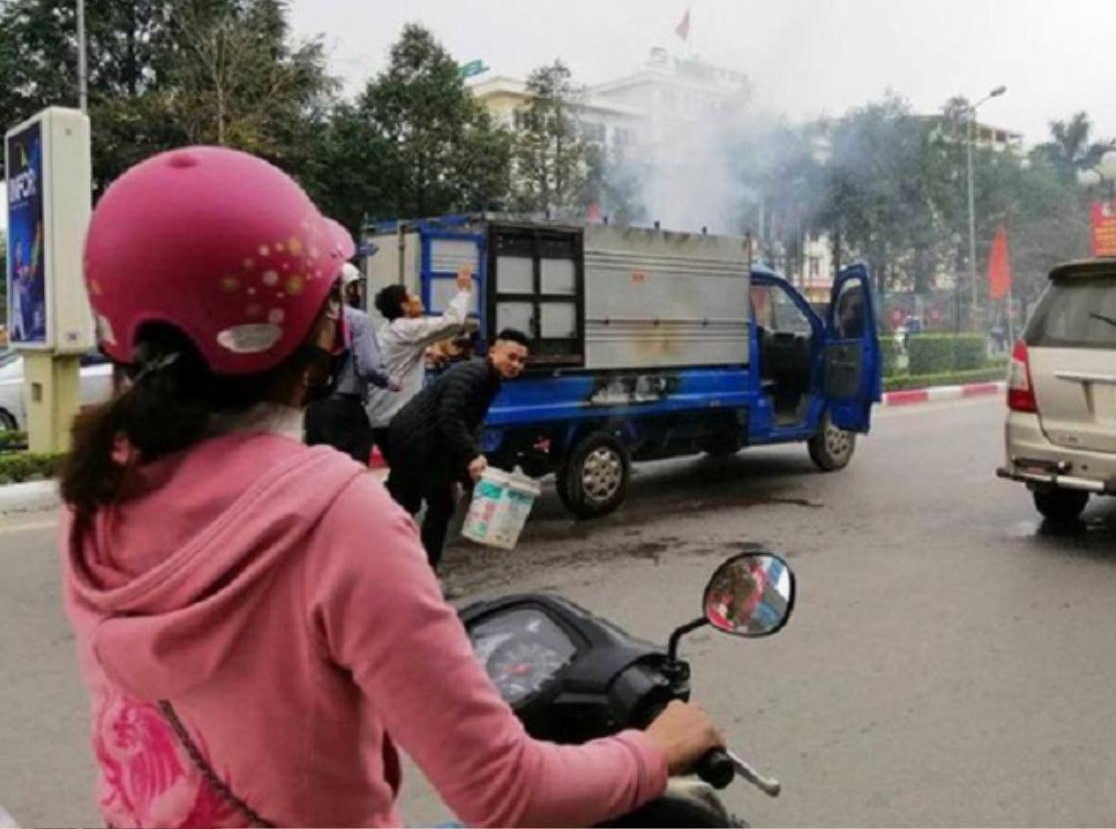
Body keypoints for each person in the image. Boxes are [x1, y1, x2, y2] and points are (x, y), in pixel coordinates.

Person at [59, 146, 721, 829]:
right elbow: (507, 793)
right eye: (332, 302)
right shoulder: (337, 518)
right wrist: (653, 750)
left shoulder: (94, 493)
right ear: (310, 330)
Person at [386, 329, 529, 570]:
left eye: (521, 361)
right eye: (512, 357)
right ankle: (421, 573)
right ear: (494, 351)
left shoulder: (489, 378)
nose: (516, 365)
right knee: (436, 505)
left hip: (420, 441)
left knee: (407, 504)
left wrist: (468, 462)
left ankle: (399, 565)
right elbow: (449, 415)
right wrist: (471, 455)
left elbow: (467, 421)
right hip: (416, 442)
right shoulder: (475, 373)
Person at [305, 248, 397, 464]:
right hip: (345, 408)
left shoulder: (315, 317)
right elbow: (369, 366)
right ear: (347, 288)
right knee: (351, 472)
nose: (359, 291)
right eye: (356, 286)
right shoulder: (358, 320)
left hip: (315, 409)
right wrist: (389, 380)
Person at [366, 270, 473, 451]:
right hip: (396, 418)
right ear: (405, 306)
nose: (418, 297)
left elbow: (404, 350)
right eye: (412, 295)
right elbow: (452, 322)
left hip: (381, 416)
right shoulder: (406, 328)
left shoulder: (390, 328)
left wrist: (428, 351)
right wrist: (464, 291)